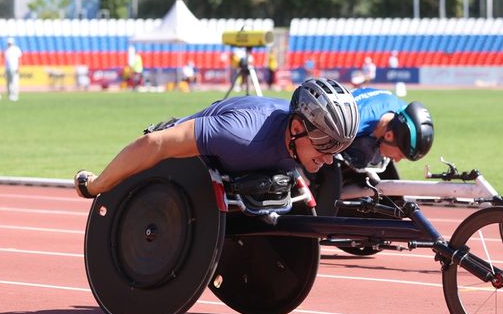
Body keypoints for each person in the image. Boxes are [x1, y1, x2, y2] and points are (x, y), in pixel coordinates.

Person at [74, 78, 361, 200]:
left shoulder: (299, 139)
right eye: (324, 144)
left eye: (337, 148)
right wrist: (96, 185)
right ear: (297, 127)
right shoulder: (240, 133)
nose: (330, 157)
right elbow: (156, 145)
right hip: (182, 157)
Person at [311, 86, 435, 216]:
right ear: (389, 136)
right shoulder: (354, 121)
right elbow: (313, 142)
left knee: (393, 205)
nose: (397, 160)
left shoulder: (400, 116)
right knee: (330, 175)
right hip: (327, 129)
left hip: (356, 128)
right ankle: (318, 225)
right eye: (400, 155)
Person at [3, 37, 22, 101]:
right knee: (8, 83)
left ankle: (15, 95)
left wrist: (18, 67)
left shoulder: (16, 49)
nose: (9, 44)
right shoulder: (7, 50)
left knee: (15, 82)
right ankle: (10, 95)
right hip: (8, 69)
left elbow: (19, 59)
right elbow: (6, 61)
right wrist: (5, 69)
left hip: (14, 68)